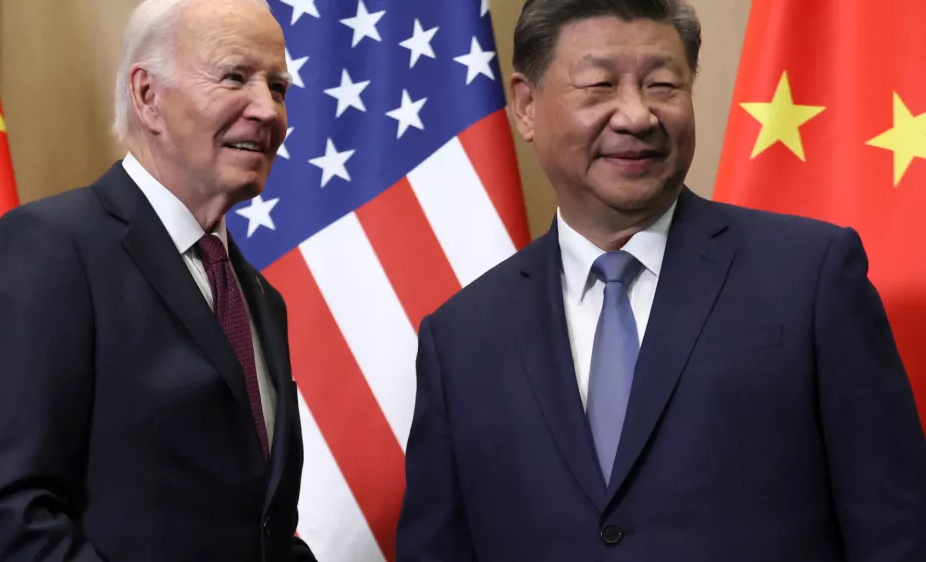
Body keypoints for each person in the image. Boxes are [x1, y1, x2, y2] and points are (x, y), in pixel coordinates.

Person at [395, 0, 926, 560]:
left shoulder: (810, 275)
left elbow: (896, 531)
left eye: (663, 85)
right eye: (600, 85)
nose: (636, 115)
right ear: (526, 105)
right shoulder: (459, 339)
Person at [0, 0, 317, 560]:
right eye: (235, 77)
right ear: (148, 96)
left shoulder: (261, 298)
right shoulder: (49, 250)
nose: (268, 110)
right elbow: (3, 518)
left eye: (278, 87)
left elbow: (257, 527)